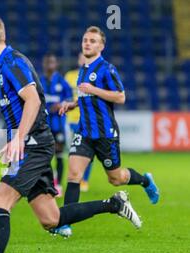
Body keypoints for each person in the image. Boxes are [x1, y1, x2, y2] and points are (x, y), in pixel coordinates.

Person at [0, 17, 141, 253]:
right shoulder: (4, 64)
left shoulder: (12, 63)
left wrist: (18, 138)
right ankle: (113, 204)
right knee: (51, 219)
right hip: (32, 143)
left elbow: (33, 99)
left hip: (33, 145)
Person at [58, 26, 160, 210]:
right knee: (74, 175)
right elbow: (87, 97)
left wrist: (93, 89)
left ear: (101, 46)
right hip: (84, 131)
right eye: (85, 40)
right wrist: (73, 104)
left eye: (92, 41)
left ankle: (145, 181)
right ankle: (65, 221)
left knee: (116, 179)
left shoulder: (107, 69)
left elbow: (121, 96)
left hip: (105, 132)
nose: (87, 44)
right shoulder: (83, 69)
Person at [40, 53, 73, 197]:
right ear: (44, 65)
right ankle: (47, 183)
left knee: (59, 153)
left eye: (52, 62)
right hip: (43, 125)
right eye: (47, 62)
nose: (49, 65)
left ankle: (58, 185)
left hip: (58, 124)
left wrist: (61, 105)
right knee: (45, 155)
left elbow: (71, 101)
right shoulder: (39, 81)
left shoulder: (62, 82)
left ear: (56, 64)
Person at [64, 52, 93, 193]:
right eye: (81, 57)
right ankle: (75, 178)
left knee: (88, 153)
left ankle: (84, 180)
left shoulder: (93, 77)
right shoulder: (69, 76)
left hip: (87, 119)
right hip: (71, 120)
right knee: (73, 152)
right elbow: (64, 96)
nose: (83, 60)